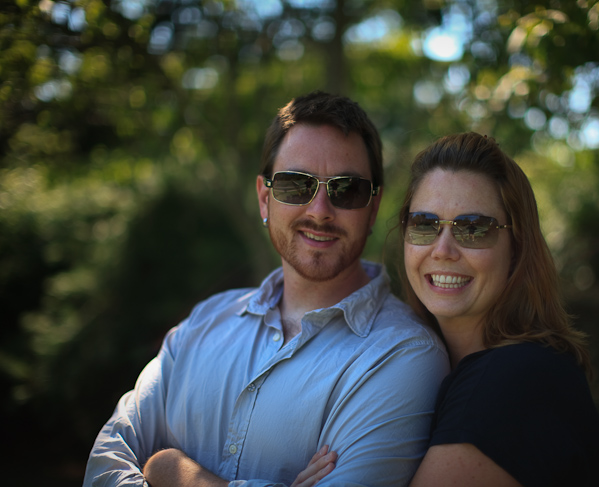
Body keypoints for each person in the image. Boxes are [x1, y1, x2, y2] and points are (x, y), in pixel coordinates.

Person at [82, 91, 450, 487]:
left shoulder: (405, 355)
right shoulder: (204, 322)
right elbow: (105, 461)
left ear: (373, 208)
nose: (320, 210)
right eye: (296, 185)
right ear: (264, 198)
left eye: (347, 189)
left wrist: (170, 470)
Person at [313, 132, 599, 486]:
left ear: (517, 247)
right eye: (425, 224)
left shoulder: (515, 380)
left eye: (473, 228)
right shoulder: (422, 369)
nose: (443, 250)